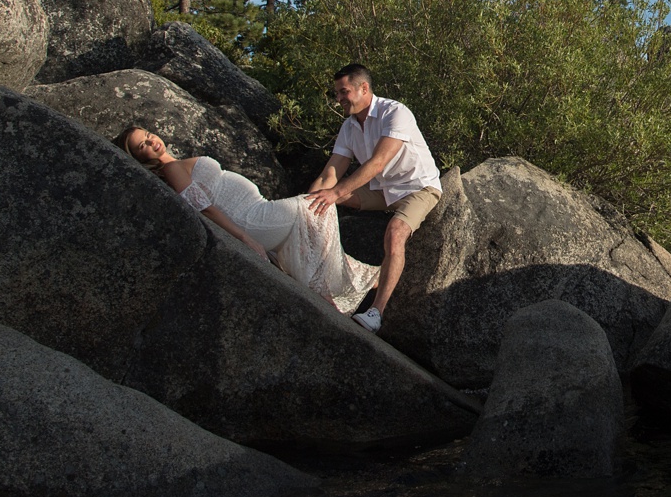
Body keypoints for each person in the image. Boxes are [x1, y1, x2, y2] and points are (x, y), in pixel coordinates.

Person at [116, 126, 380, 315]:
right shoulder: (171, 169)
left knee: (316, 215)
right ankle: (334, 290)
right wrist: (243, 236)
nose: (152, 143)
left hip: (258, 212)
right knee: (319, 204)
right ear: (141, 158)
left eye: (149, 136)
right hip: (249, 220)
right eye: (143, 146)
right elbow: (202, 207)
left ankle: (347, 284)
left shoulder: (178, 162)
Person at [305, 64, 442, 333]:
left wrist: (336, 192)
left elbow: (378, 163)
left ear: (364, 89)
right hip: (383, 191)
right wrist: (306, 204)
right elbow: (331, 172)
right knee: (322, 201)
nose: (339, 99)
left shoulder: (395, 113)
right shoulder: (349, 127)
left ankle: (375, 313)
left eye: (344, 92)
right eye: (337, 94)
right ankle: (309, 263)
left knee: (396, 232)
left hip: (418, 188)